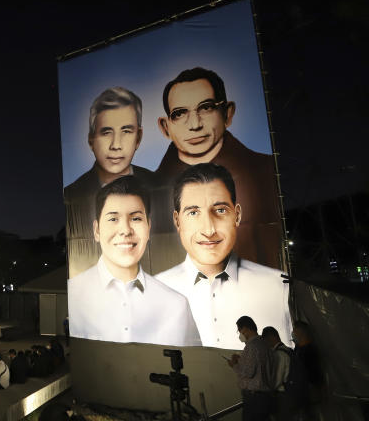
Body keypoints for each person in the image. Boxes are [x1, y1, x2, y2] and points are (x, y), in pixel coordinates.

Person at [154, 67, 281, 267]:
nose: (194, 124)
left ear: (227, 113)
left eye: (206, 108)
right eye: (179, 113)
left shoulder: (267, 172)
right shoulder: (148, 191)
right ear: (165, 126)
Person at [156, 163, 291, 350]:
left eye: (220, 210)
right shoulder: (155, 291)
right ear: (177, 221)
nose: (209, 230)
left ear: (237, 215)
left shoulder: (277, 286)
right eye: (193, 213)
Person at [67, 176, 201, 345]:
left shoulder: (176, 305)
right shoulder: (73, 295)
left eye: (136, 218)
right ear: (96, 230)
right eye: (113, 219)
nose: (125, 230)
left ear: (148, 227)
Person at [64, 87, 155, 274]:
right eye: (106, 132)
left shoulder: (160, 185)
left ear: (139, 137)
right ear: (91, 140)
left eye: (126, 131)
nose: (116, 145)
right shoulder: (71, 196)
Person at [227, 316, 273, 421]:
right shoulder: (264, 343)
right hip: (265, 396)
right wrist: (241, 360)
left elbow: (248, 372)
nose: (240, 335)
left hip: (254, 398)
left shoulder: (251, 346)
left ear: (246, 329)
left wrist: (233, 365)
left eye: (239, 331)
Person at [291, 321, 325, 421]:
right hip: (301, 391)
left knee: (310, 415)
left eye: (294, 330)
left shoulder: (310, 350)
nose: (293, 333)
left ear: (300, 332)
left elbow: (314, 372)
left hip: (309, 390)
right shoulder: (298, 348)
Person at [262, 327, 293, 421]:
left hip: (283, 397)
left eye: (265, 341)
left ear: (271, 338)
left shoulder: (279, 354)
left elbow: (276, 380)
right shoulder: (288, 350)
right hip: (291, 392)